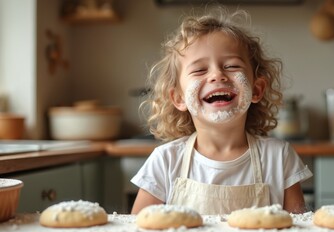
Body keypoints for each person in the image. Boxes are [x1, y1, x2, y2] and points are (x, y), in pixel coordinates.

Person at [131, 7, 312, 215]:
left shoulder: (279, 158)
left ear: (256, 89)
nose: (217, 75)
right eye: (199, 70)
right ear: (179, 98)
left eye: (232, 66)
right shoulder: (166, 161)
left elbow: (300, 231)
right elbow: (137, 231)